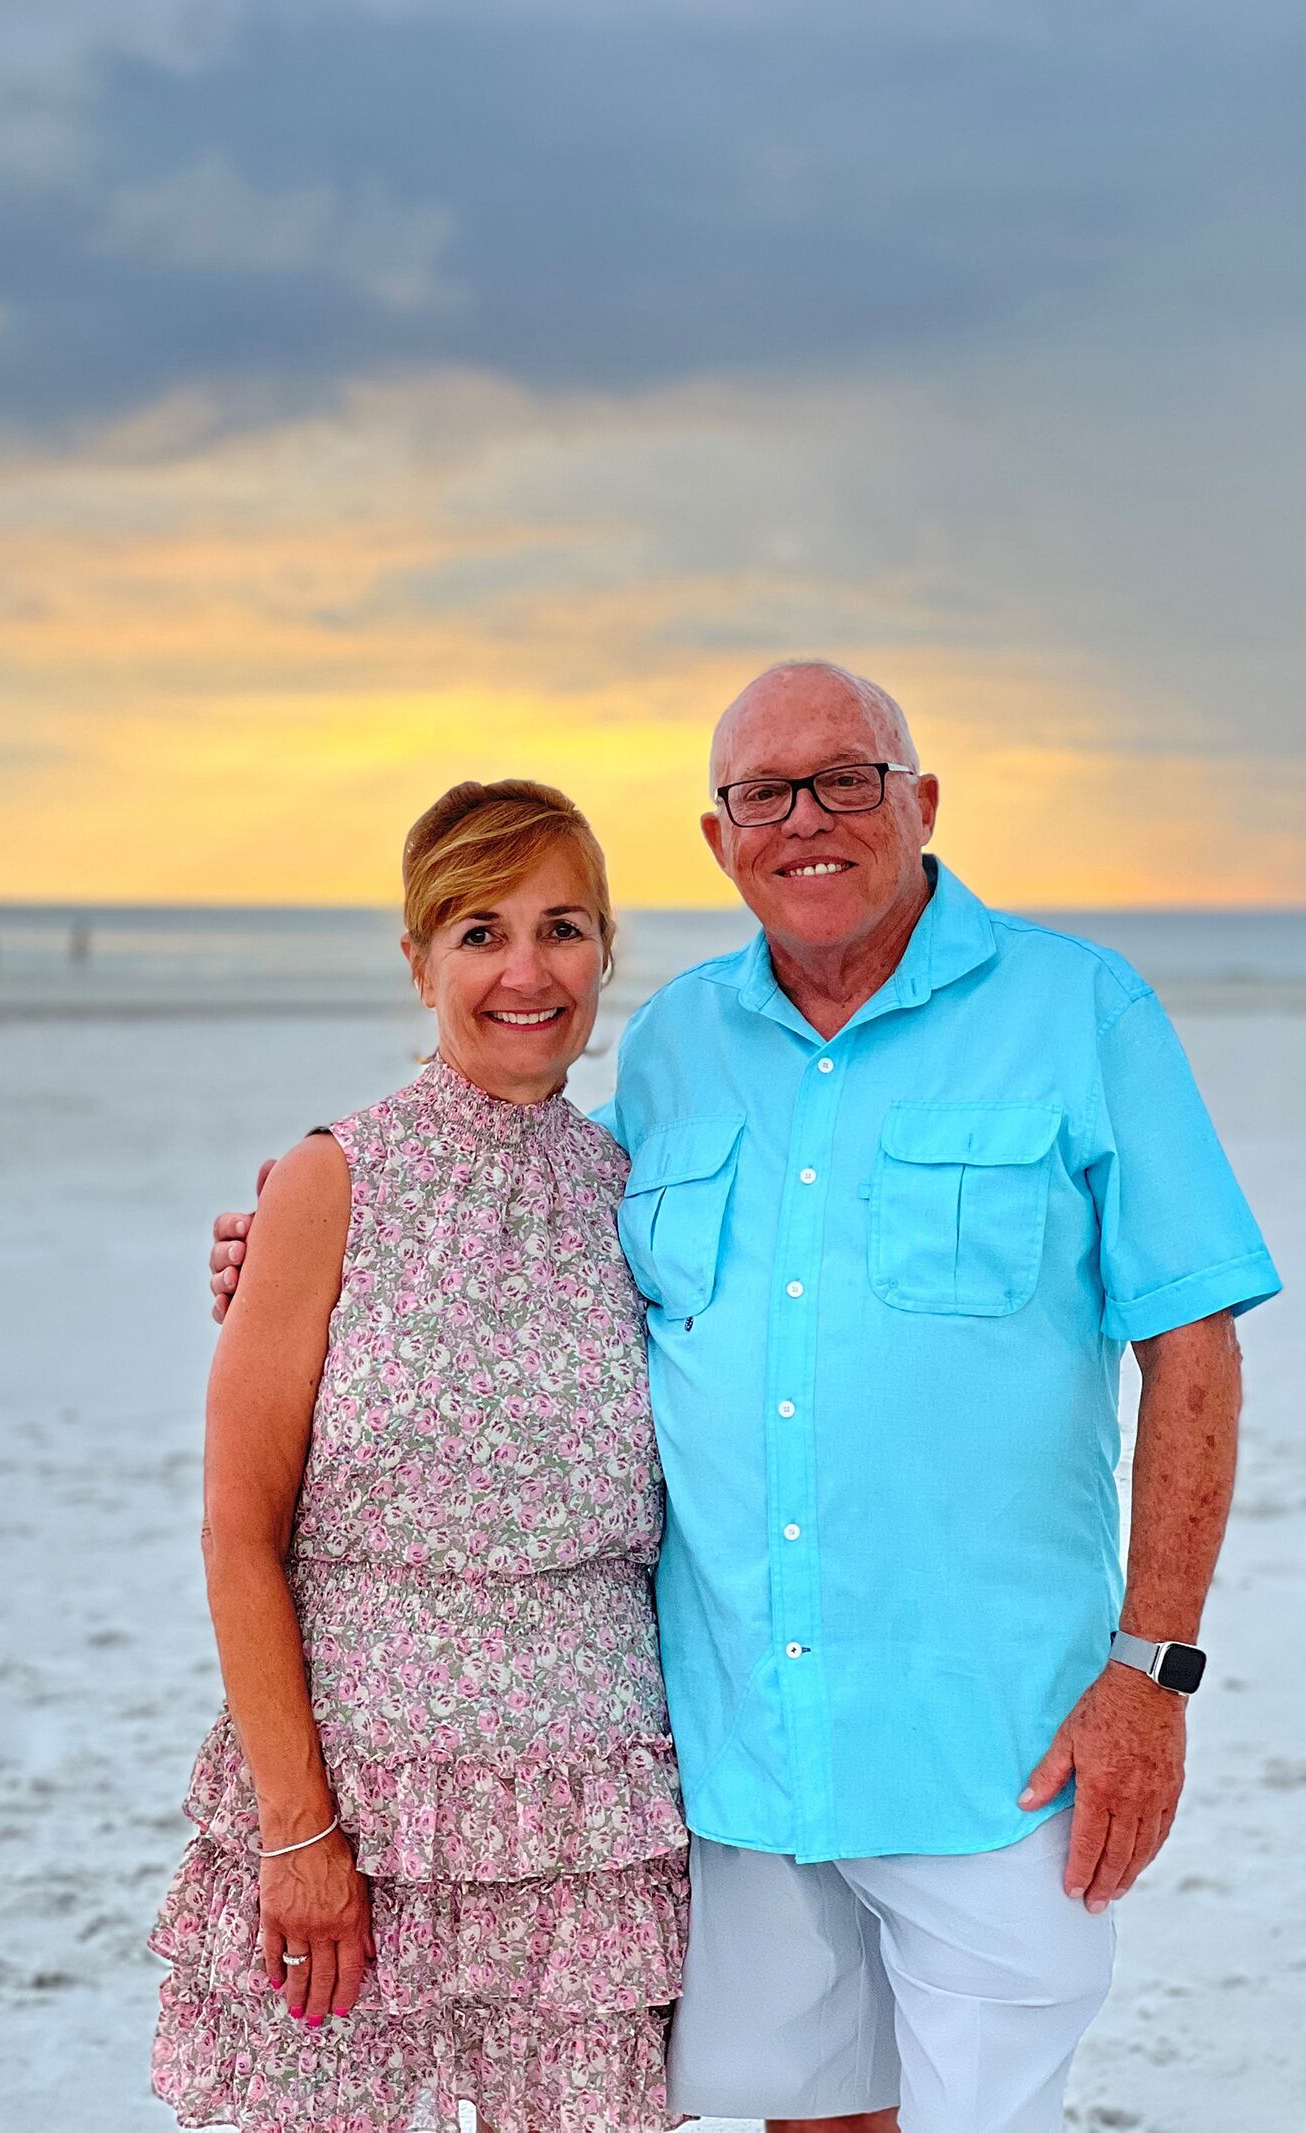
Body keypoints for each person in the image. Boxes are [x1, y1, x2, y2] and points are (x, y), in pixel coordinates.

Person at [212, 662, 1280, 2133]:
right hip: (733, 1762)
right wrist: (300, 1240)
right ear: (719, 842)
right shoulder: (672, 1052)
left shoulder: (1079, 1008)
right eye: (764, 793)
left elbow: (1196, 1345)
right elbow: (519, 1224)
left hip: (993, 1747)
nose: (807, 819)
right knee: (812, 2119)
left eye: (848, 776)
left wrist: (1152, 1669)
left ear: (921, 801)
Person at [152, 780, 692, 2133]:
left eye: (562, 927)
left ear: (606, 951)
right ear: (419, 959)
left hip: (595, 1833)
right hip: (361, 1811)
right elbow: (237, 1530)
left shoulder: (644, 1196)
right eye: (479, 930)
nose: (526, 969)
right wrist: (297, 1830)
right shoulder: (330, 1182)